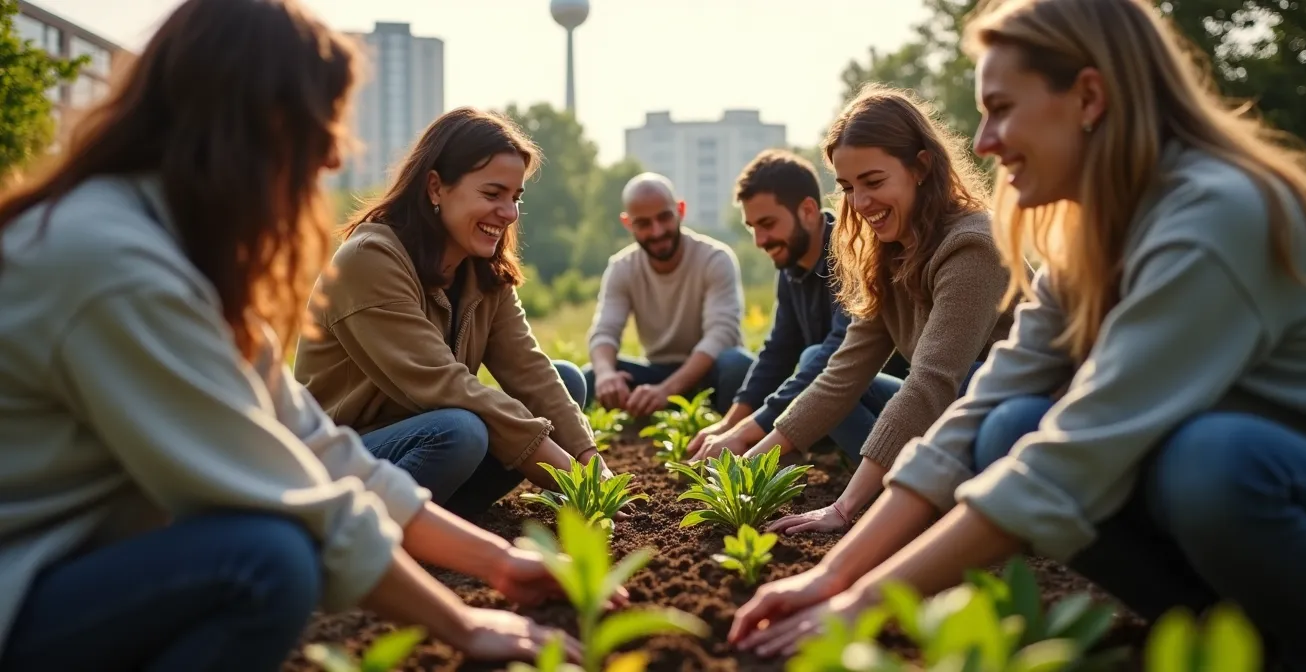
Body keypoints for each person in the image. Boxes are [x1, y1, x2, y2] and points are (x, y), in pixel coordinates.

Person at [0, 1, 588, 669]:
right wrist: (461, 624)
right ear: (248, 120)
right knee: (267, 562)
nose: (335, 153)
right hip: (17, 586)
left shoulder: (174, 252)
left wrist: (502, 563)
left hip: (73, 564)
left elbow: (320, 449)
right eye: (320, 124)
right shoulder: (114, 264)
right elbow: (294, 493)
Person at [729, 0, 1306, 667]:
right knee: (1006, 427)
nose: (982, 140)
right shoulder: (1090, 232)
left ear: (1089, 96)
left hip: (1263, 471)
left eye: (1001, 108)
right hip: (1220, 486)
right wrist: (835, 574)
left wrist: (863, 604)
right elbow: (980, 405)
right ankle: (1228, 637)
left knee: (1213, 460)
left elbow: (1068, 452)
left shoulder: (1214, 213)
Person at [726, 84, 1019, 536]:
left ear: (921, 167)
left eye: (874, 182)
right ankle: (909, 490)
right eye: (848, 188)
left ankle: (923, 499)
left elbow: (931, 383)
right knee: (836, 379)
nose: (861, 204)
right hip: (951, 418)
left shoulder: (973, 245)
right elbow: (841, 373)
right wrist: (749, 465)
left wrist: (842, 510)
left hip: (1014, 425)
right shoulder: (889, 251)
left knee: (967, 380)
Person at [293, 107, 609, 520]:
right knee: (459, 431)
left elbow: (528, 368)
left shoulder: (483, 270)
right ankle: (371, 526)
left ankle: (448, 516)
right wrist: (577, 484)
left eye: (515, 198)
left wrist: (592, 461)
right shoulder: (370, 260)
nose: (509, 213)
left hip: (429, 442)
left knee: (565, 381)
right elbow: (446, 385)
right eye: (492, 194)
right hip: (346, 456)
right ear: (436, 187)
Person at [685, 149, 850, 461]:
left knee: (814, 356)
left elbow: (838, 354)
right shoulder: (791, 267)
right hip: (822, 401)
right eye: (752, 227)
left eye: (768, 223)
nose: (760, 240)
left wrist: (750, 430)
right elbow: (778, 351)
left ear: (808, 210)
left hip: (875, 402)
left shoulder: (850, 252)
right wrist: (729, 424)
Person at [583, 172, 754, 417]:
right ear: (628, 223)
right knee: (589, 377)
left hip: (709, 374)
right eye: (643, 223)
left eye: (664, 217)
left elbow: (721, 334)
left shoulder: (715, 258)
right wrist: (606, 374)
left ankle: (731, 432)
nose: (657, 231)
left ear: (680, 210)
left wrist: (667, 391)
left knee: (737, 364)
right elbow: (605, 331)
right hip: (657, 373)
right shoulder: (622, 268)